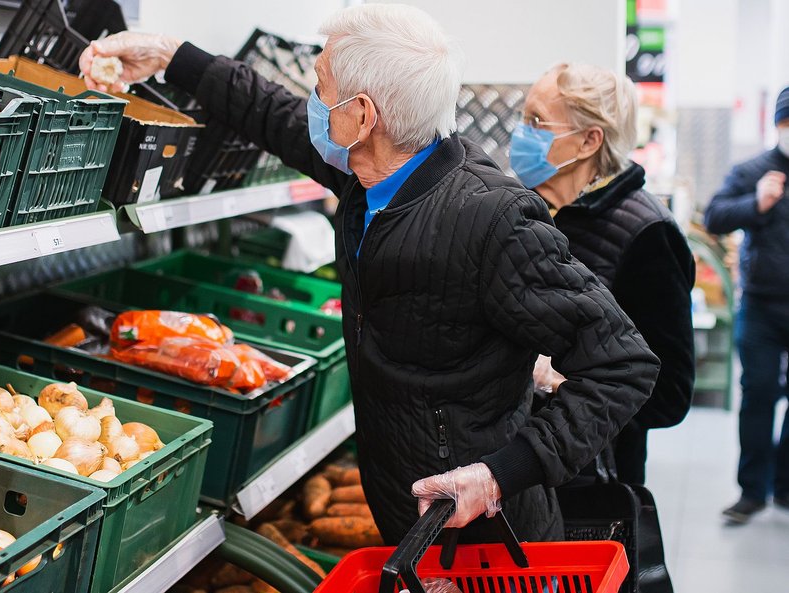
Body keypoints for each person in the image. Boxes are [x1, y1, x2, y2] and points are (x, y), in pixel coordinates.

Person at [80, 4, 660, 544]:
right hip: (407, 521)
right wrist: (169, 54)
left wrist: (498, 475)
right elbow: (270, 111)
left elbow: (624, 365)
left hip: (485, 539)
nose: (309, 99)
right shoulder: (370, 176)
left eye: (320, 88)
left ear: (362, 115)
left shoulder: (492, 219)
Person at [514, 63, 696, 486]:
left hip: (591, 479)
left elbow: (669, 394)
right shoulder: (525, 210)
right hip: (515, 468)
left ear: (589, 140)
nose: (521, 133)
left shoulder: (649, 235)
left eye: (537, 121)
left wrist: (557, 382)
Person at [704, 86, 789, 524]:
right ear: (778, 125)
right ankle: (751, 490)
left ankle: (785, 485)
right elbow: (715, 215)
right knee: (758, 393)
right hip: (761, 305)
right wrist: (756, 203)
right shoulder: (754, 170)